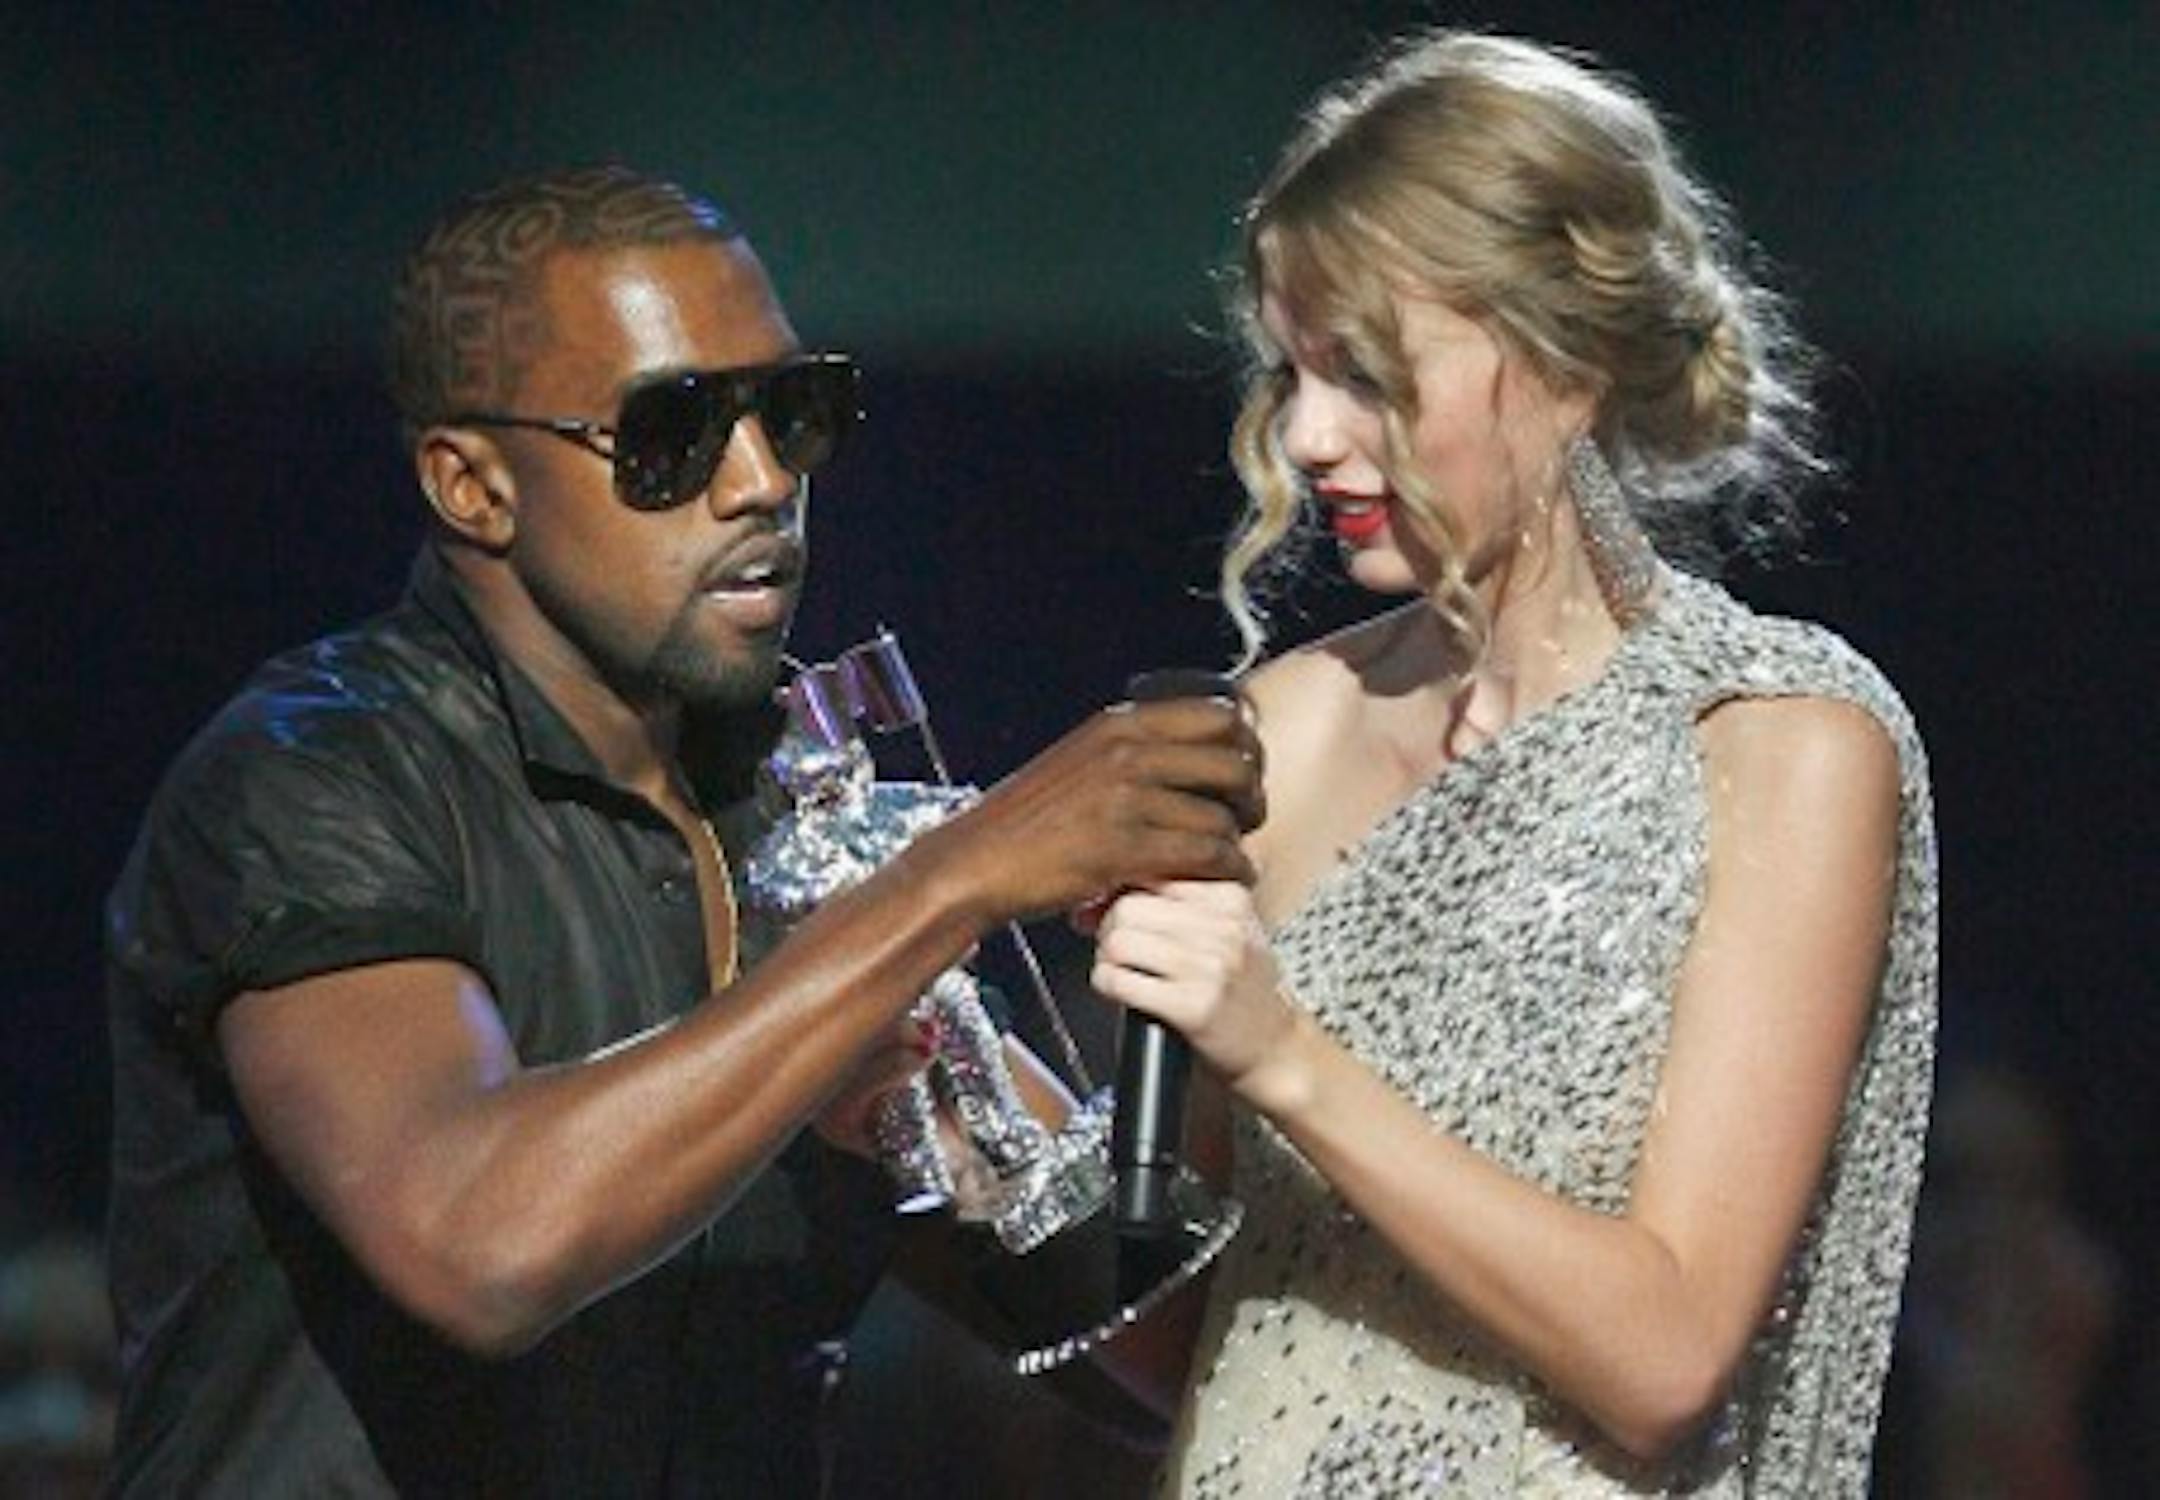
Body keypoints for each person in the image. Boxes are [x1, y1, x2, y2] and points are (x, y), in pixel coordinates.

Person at [102, 164, 1263, 1497]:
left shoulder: (795, 811)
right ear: (472, 485)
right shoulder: (315, 775)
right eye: (676, 432)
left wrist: (1225, 1034)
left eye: (796, 411)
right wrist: (948, 888)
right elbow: (478, 1246)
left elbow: (1170, 1362)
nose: (763, 481)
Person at [1088, 30, 1938, 1495]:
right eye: (1291, 374)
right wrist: (961, 1125)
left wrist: (1283, 1053)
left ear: (1565, 361)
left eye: (1365, 374)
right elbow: (1200, 1341)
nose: (1307, 438)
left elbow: (1668, 1358)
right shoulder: (1290, 723)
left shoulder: (1780, 744)